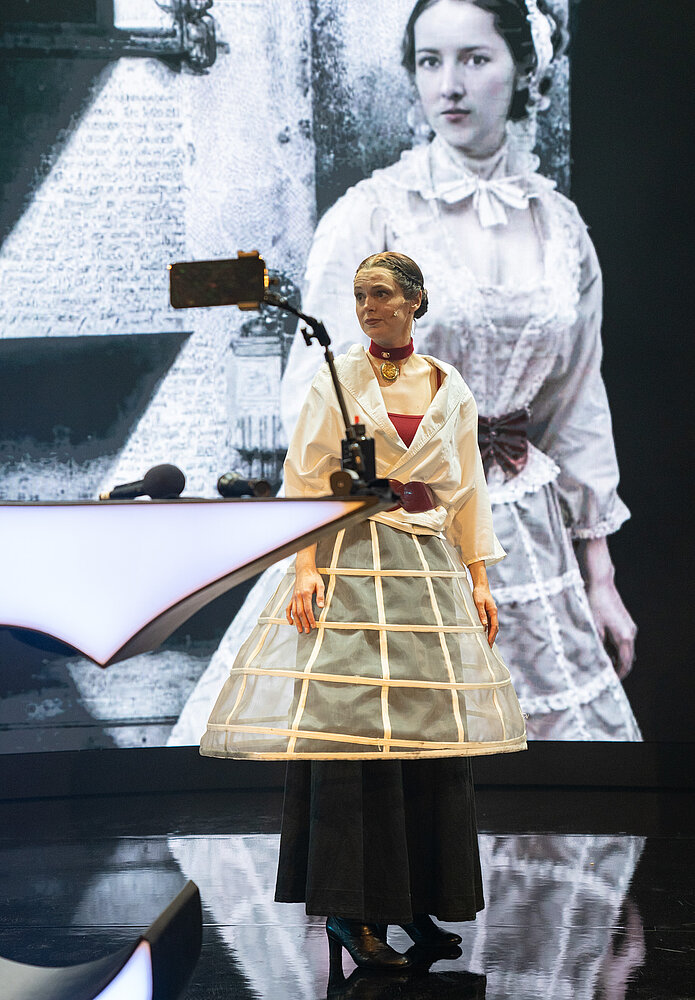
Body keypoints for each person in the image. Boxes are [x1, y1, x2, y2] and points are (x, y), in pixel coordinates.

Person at [277, 0, 641, 741]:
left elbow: (576, 405)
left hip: (522, 532)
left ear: (522, 68)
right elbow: (316, 399)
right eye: (429, 61)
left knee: (533, 763)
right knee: (405, 748)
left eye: (475, 59)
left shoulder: (559, 228)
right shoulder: (373, 216)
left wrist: (600, 578)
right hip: (395, 528)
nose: (449, 85)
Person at [201, 251, 526, 968]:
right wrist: (305, 568)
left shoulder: (447, 384)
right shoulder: (338, 375)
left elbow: (466, 487)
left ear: (415, 300)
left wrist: (478, 577)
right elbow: (306, 475)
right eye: (358, 295)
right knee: (352, 737)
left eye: (380, 294)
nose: (367, 307)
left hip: (423, 569)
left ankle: (415, 903)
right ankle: (351, 912)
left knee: (424, 738)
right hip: (351, 562)